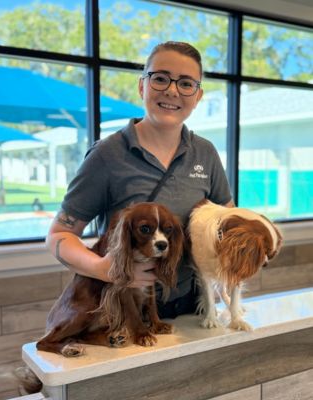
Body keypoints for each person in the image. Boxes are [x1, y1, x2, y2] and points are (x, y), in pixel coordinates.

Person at [46, 41, 234, 319]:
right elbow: (59, 235)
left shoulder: (205, 153)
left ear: (197, 96)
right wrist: (104, 268)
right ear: (142, 86)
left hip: (192, 306)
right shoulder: (107, 155)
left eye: (185, 84)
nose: (172, 90)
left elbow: (227, 222)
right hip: (127, 309)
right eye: (160, 78)